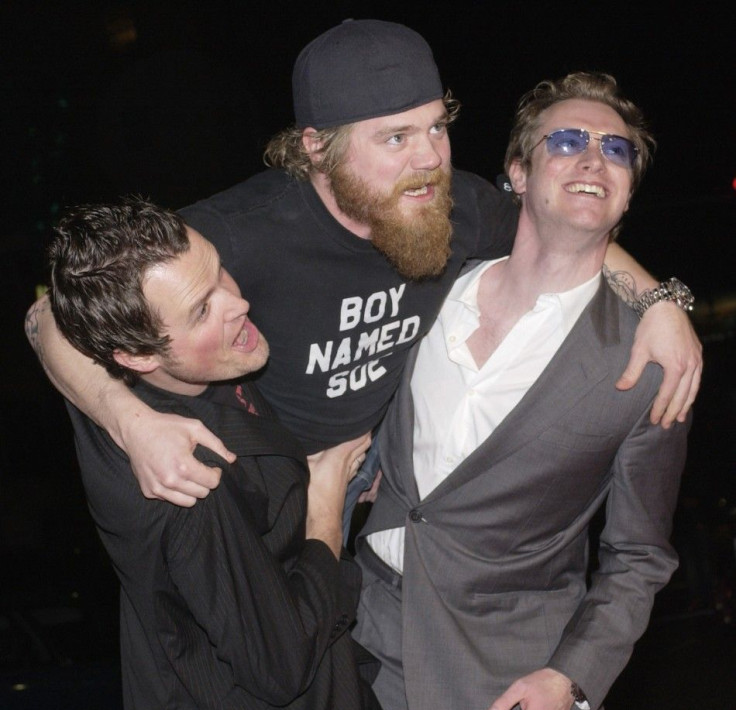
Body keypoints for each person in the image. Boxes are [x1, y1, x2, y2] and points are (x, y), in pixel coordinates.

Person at [25, 20, 701, 527]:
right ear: (317, 147)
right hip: (254, 488)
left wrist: (663, 301)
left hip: (377, 474)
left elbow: (562, 234)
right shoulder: (246, 229)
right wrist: (128, 421)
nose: (429, 159)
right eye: (395, 138)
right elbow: (52, 314)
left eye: (436, 128)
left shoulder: (454, 203)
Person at [351, 72, 691, 710]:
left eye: (617, 151)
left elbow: (639, 557)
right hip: (384, 643)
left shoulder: (650, 360)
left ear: (628, 192)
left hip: (531, 672)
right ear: (517, 172)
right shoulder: (427, 287)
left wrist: (570, 680)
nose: (593, 159)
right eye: (567, 141)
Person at [46, 198, 400, 710]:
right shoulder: (189, 482)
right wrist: (326, 496)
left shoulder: (150, 385)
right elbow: (281, 663)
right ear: (136, 357)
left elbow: (39, 319)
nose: (238, 302)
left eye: (218, 272)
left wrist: (125, 416)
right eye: (202, 308)